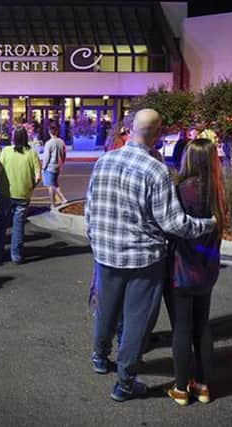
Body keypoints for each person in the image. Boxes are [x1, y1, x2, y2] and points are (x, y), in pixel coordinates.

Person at [85, 109, 217, 402]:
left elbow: (89, 209)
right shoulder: (155, 170)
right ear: (157, 135)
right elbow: (173, 223)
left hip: (106, 253)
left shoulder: (103, 161)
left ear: (130, 129)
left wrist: (95, 241)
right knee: (137, 321)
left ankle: (99, 356)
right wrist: (209, 224)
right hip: (143, 259)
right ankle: (125, 382)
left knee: (107, 308)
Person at [165, 138, 227, 406]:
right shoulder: (219, 191)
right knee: (202, 325)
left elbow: (172, 227)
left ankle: (180, 388)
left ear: (188, 158)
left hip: (181, 268)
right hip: (207, 269)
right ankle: (202, 386)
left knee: (181, 327)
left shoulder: (181, 189)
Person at [0, 126, 41, 264]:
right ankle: (16, 255)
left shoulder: (6, 151)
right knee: (18, 225)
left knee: (1, 224)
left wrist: (0, 185)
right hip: (23, 194)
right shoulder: (32, 153)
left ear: (13, 138)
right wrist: (30, 187)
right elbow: (37, 177)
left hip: (6, 193)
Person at [43, 123, 68, 209]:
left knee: (51, 185)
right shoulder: (61, 142)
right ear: (56, 132)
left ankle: (53, 204)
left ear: (49, 132)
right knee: (55, 184)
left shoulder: (48, 143)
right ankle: (62, 199)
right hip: (58, 166)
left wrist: (44, 167)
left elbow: (46, 157)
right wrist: (62, 163)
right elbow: (64, 154)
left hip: (50, 167)